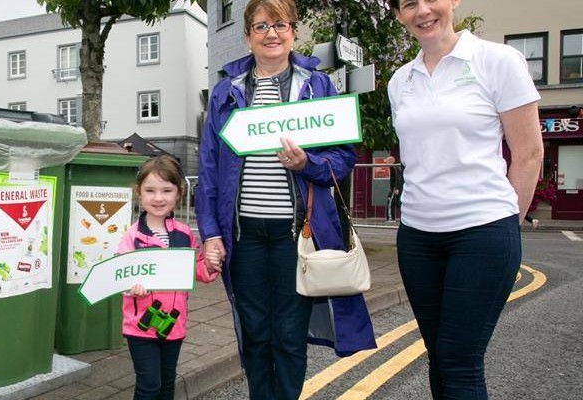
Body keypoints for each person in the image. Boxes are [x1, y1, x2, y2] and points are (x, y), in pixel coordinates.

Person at [196, 1, 376, 398]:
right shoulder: (227, 91)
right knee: (256, 334)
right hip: (243, 235)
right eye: (261, 26)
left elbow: (342, 158)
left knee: (290, 335)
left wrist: (307, 163)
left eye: (280, 24)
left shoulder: (317, 85)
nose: (271, 34)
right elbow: (208, 167)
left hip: (295, 234)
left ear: (293, 31)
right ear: (248, 36)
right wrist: (210, 233)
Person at [386, 0, 544, 398]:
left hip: (482, 232)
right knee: (439, 356)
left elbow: (528, 154)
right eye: (408, 4)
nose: (422, 10)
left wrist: (507, 221)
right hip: (418, 237)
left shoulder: (498, 60)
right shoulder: (399, 80)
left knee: (459, 360)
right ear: (399, 15)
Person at [119, 155, 219, 400]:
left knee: (166, 384)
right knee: (149, 385)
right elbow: (120, 275)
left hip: (174, 325)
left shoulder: (185, 234)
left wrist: (210, 264)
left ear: (179, 193)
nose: (158, 197)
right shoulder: (132, 236)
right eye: (150, 190)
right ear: (139, 193)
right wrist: (131, 287)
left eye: (166, 190)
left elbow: (197, 270)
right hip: (140, 326)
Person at [384, 156, 403, 222]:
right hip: (394, 188)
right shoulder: (393, 168)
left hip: (394, 188)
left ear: (390, 162)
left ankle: (390, 218)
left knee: (390, 203)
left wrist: (396, 188)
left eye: (387, 162)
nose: (385, 163)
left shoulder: (393, 168)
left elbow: (397, 178)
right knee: (397, 203)